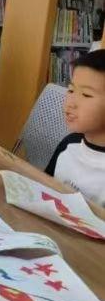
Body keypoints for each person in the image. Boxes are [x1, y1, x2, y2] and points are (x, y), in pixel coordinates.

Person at [46, 50, 105, 206]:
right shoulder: (69, 144)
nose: (70, 103)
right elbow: (46, 188)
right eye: (71, 90)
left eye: (86, 95)